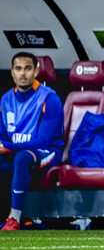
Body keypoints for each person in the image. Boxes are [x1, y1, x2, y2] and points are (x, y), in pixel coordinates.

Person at [0, 52, 64, 231]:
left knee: (22, 158)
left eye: (27, 69)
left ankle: (14, 219)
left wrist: (8, 147)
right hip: (16, 151)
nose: (22, 73)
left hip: (49, 152)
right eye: (18, 69)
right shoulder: (5, 100)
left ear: (36, 71)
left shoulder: (49, 99)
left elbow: (43, 142)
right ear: (12, 72)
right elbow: (2, 137)